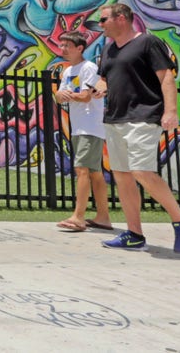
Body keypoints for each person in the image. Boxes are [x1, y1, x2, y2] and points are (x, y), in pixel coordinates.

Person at [92, 3, 180, 252]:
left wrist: (171, 111)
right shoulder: (108, 50)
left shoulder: (148, 43)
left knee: (141, 172)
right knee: (123, 176)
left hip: (144, 116)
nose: (101, 24)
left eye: (104, 19)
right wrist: (96, 89)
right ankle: (134, 235)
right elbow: (105, 79)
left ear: (121, 19)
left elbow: (166, 77)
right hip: (115, 118)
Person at [54, 31, 113, 233]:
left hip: (90, 127)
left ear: (80, 48)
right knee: (95, 173)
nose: (62, 49)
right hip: (79, 127)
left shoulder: (89, 68)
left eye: (67, 46)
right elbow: (60, 97)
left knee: (82, 170)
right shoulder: (69, 70)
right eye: (62, 45)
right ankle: (103, 217)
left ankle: (78, 217)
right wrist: (60, 95)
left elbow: (87, 96)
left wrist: (68, 95)